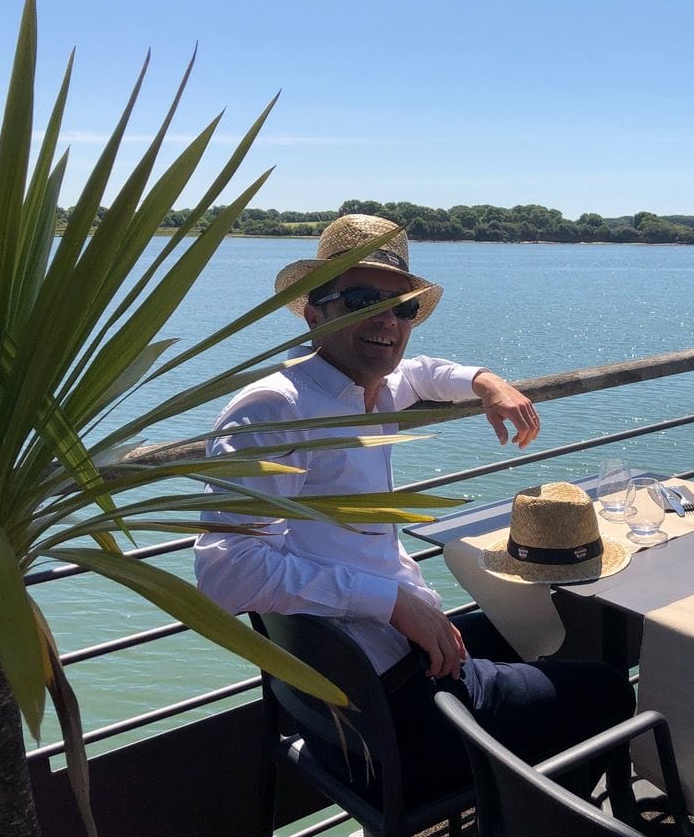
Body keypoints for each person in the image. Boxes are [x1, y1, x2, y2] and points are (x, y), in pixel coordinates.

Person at [194, 214, 634, 802]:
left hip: (365, 679)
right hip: (388, 715)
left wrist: (485, 381)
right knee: (603, 688)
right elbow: (225, 572)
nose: (387, 321)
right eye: (361, 300)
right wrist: (394, 603)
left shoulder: (369, 384)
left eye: (401, 308)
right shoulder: (275, 409)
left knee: (538, 633)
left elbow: (424, 372)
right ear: (314, 310)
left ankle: (509, 824)